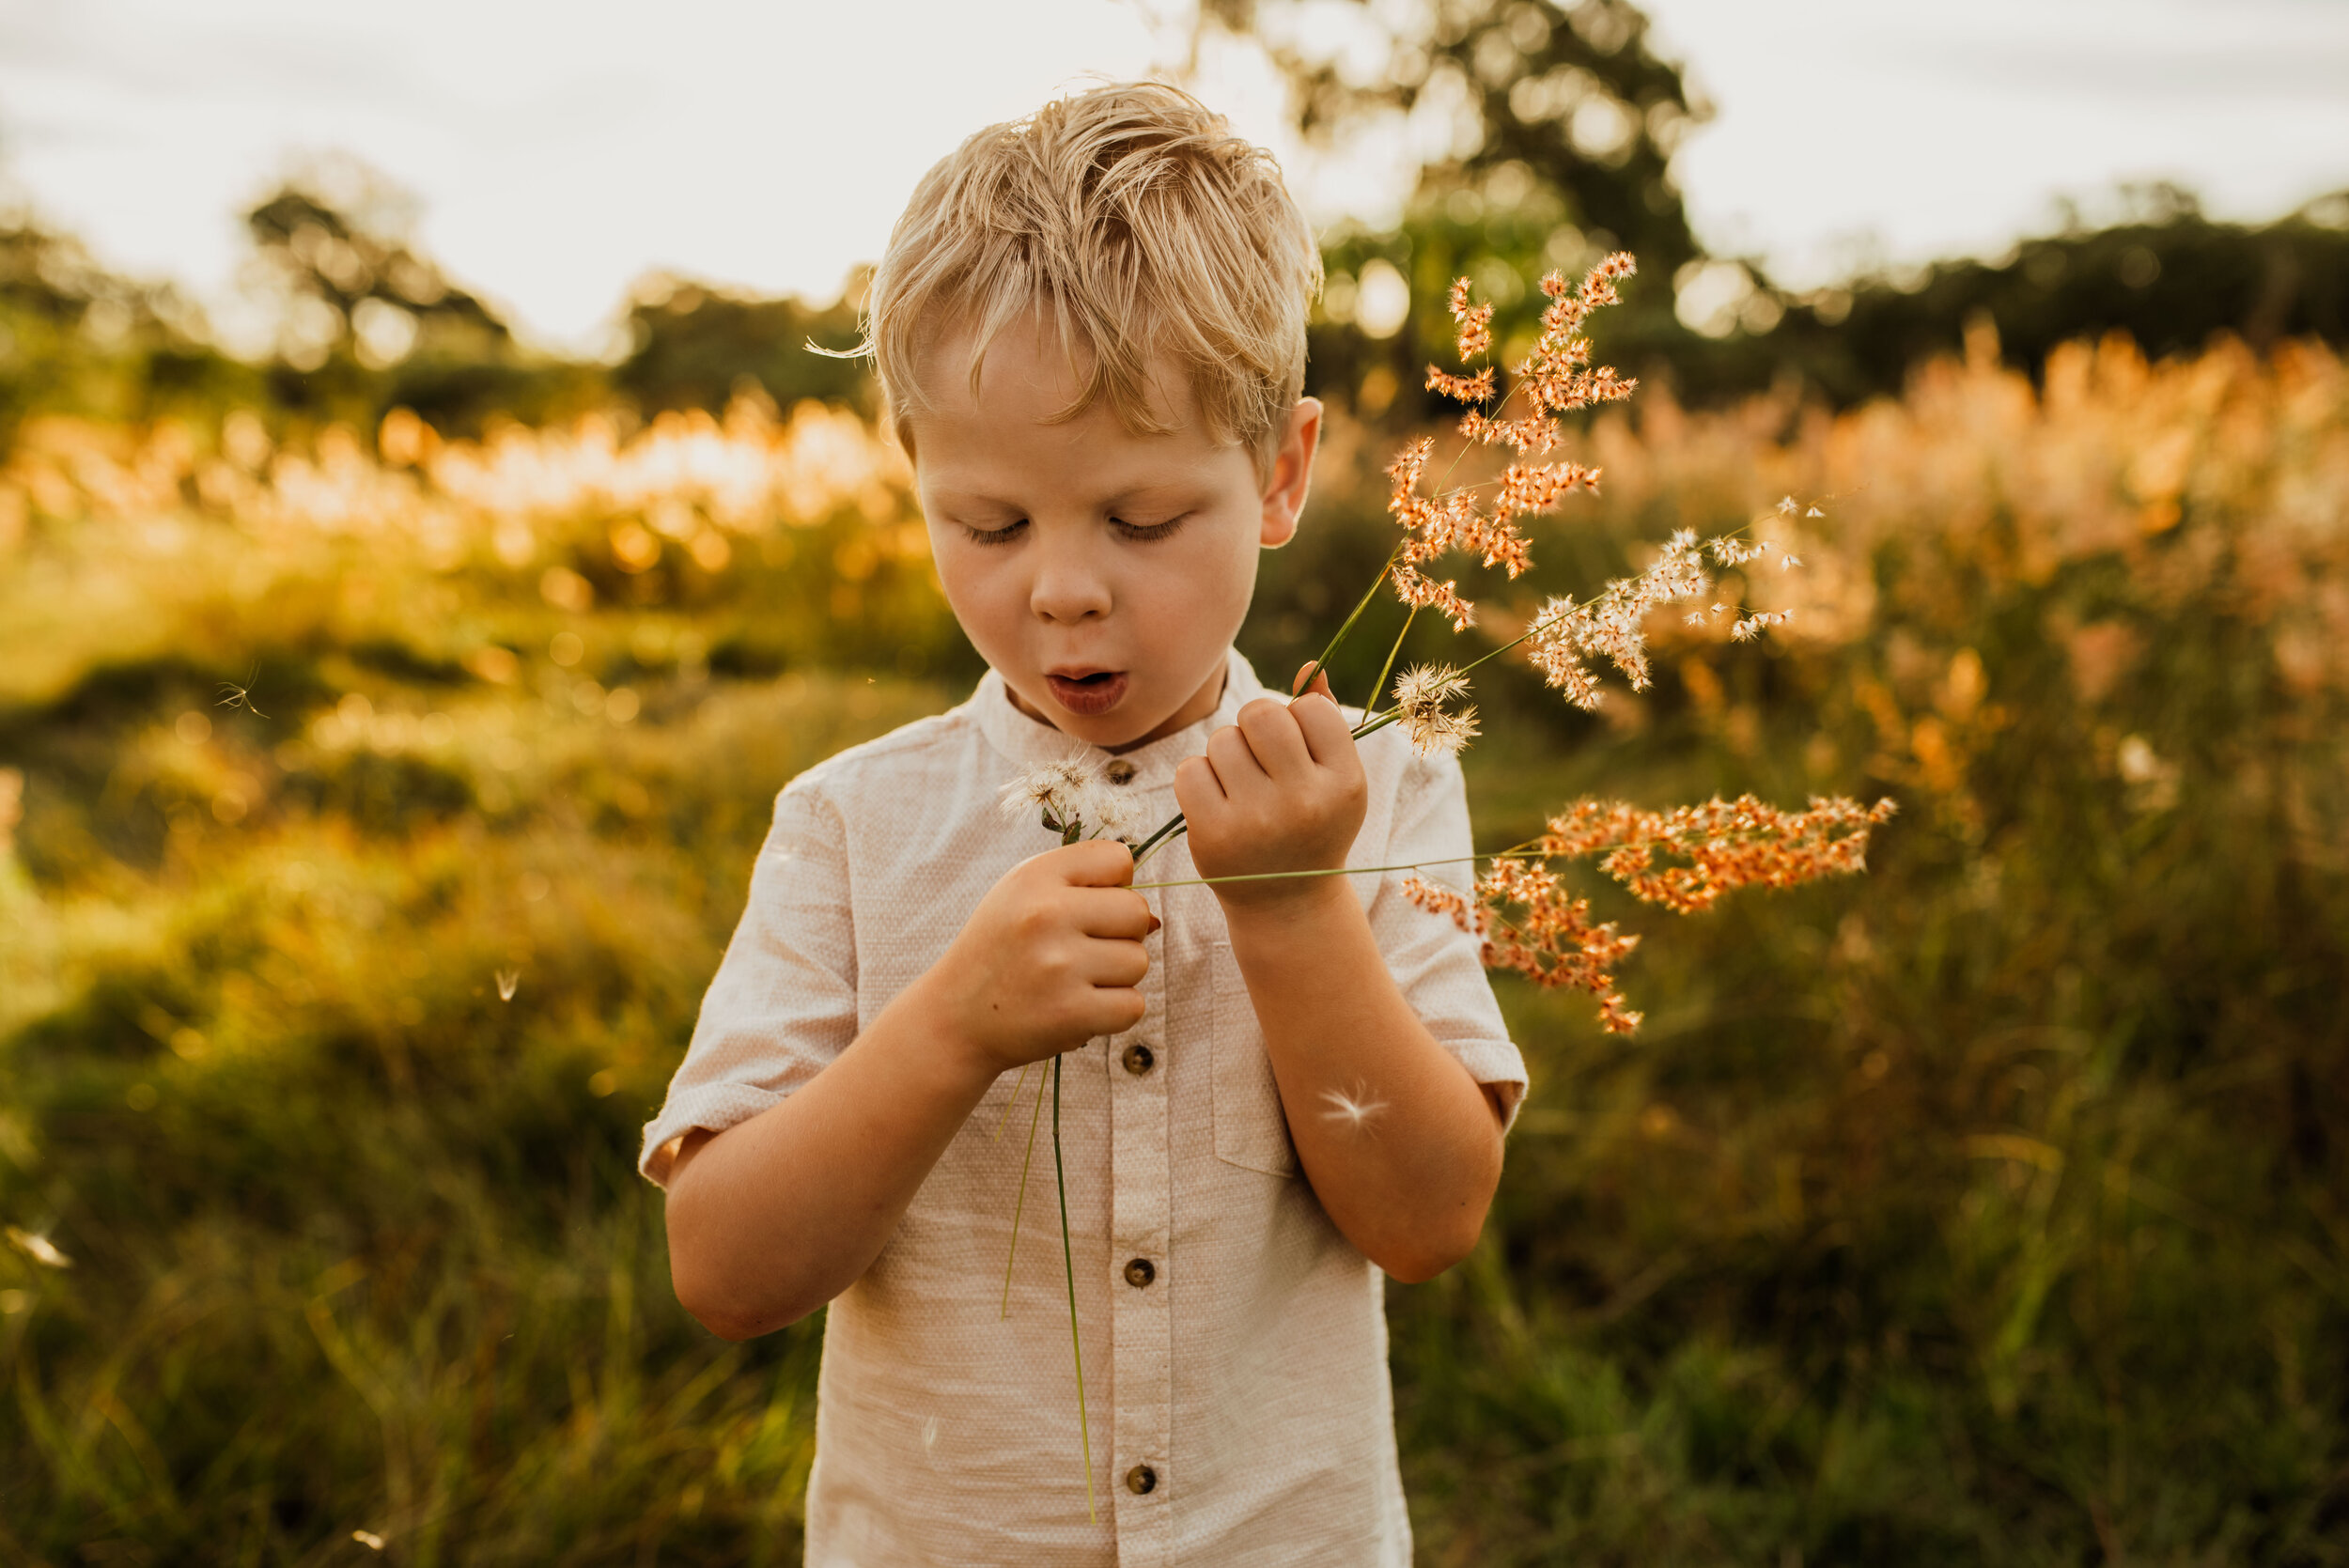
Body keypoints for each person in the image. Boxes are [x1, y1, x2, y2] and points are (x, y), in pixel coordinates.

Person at [638, 81, 1525, 1567]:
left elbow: (1429, 1219)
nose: (1060, 589)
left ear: (1282, 474)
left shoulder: (1382, 792)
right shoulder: (856, 823)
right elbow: (725, 1268)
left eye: (1140, 519)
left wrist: (1298, 909)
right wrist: (953, 1027)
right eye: (988, 526)